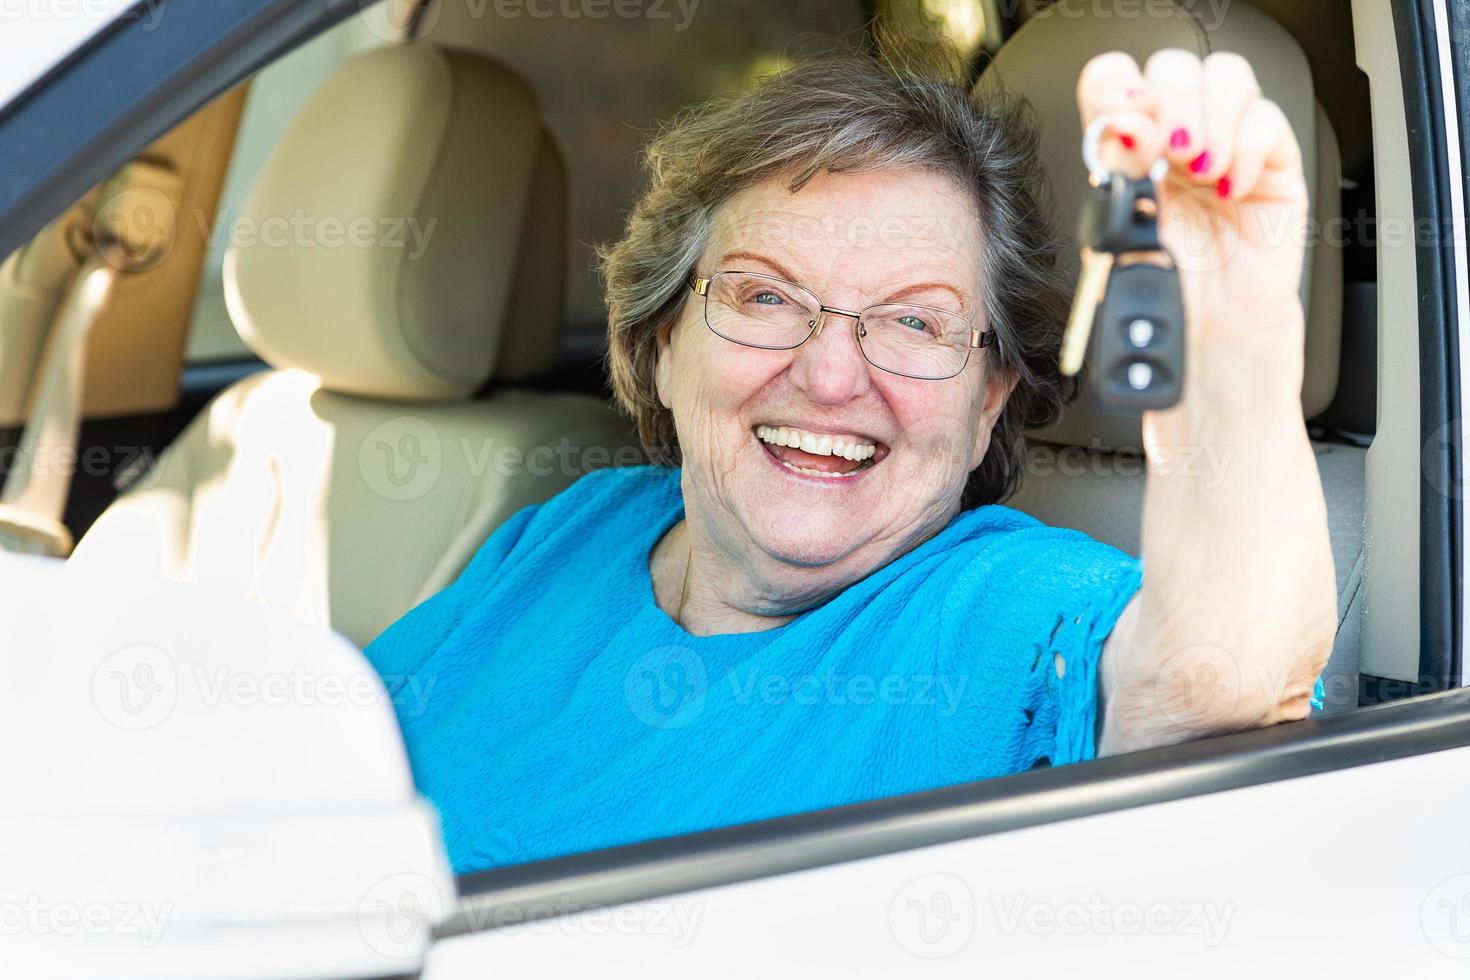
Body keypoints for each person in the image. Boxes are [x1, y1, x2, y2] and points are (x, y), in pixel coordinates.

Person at [365, 45, 1336, 874]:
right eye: (765, 297)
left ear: (988, 396)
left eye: (915, 320)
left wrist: (1231, 333)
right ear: (663, 345)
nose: (831, 377)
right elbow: (324, 777)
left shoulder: (1005, 609)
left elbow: (1215, 687)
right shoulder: (578, 524)